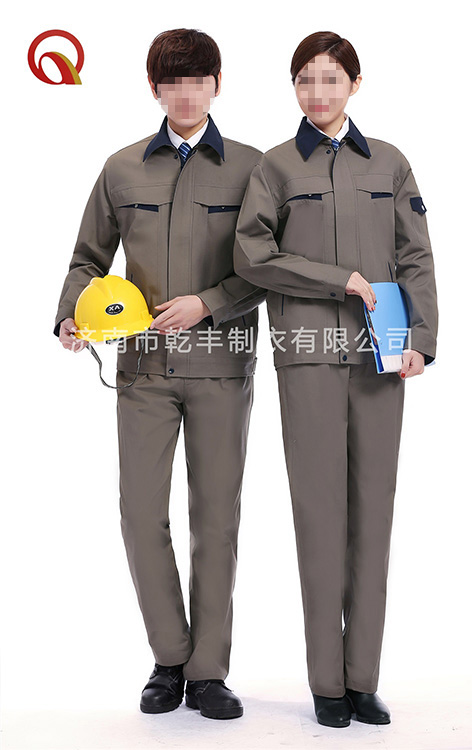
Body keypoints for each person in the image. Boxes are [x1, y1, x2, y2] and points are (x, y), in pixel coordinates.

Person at [53, 28, 266, 721]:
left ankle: (208, 673)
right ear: (154, 88)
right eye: (172, 81)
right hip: (143, 369)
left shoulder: (253, 169)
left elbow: (269, 268)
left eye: (198, 79)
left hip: (222, 367)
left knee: (216, 520)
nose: (186, 93)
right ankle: (169, 658)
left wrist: (209, 302)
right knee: (141, 515)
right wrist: (70, 315)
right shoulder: (121, 169)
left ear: (217, 84)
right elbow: (88, 258)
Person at [233, 31, 438, 728]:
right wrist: (336, 279)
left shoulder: (390, 162)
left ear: (355, 83)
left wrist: (421, 341)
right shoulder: (275, 166)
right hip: (309, 355)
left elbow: (415, 257)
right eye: (304, 80)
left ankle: (362, 679)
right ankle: (326, 682)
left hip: (382, 355)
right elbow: (253, 255)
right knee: (320, 517)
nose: (316, 93)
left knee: (373, 516)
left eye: (330, 79)